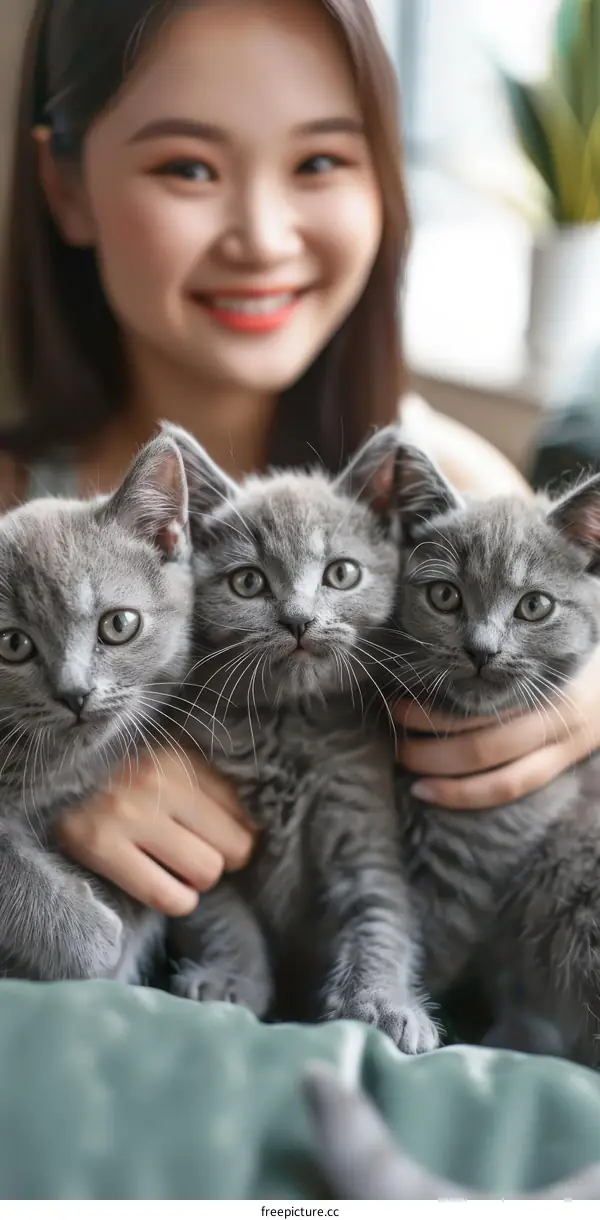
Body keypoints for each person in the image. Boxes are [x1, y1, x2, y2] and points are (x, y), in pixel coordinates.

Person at [2, 0, 598, 923]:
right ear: (68, 184)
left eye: (320, 161)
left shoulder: (451, 487)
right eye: (187, 166)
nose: (263, 236)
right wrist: (57, 794)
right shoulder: (15, 512)